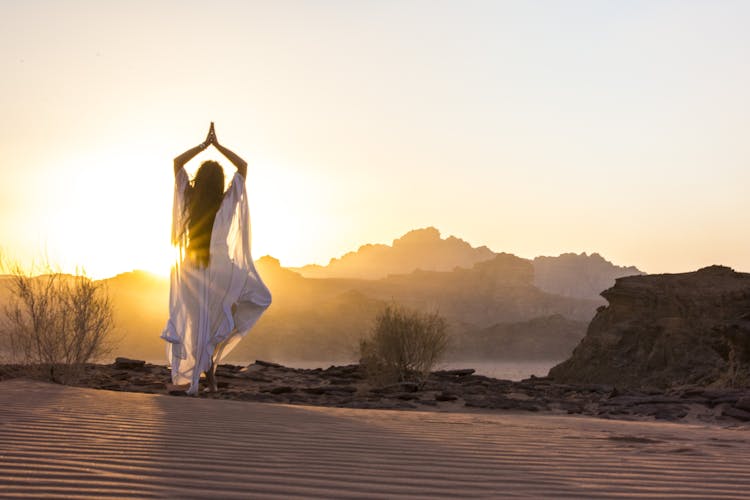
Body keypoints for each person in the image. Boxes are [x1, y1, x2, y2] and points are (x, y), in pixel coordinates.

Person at [161, 123, 271, 395]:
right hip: (221, 270)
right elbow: (243, 167)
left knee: (198, 326)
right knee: (249, 303)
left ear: (199, 179)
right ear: (220, 182)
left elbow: (176, 163)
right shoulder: (227, 202)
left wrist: (203, 145)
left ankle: (204, 377)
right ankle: (209, 375)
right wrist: (218, 146)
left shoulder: (188, 199)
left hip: (193, 270)